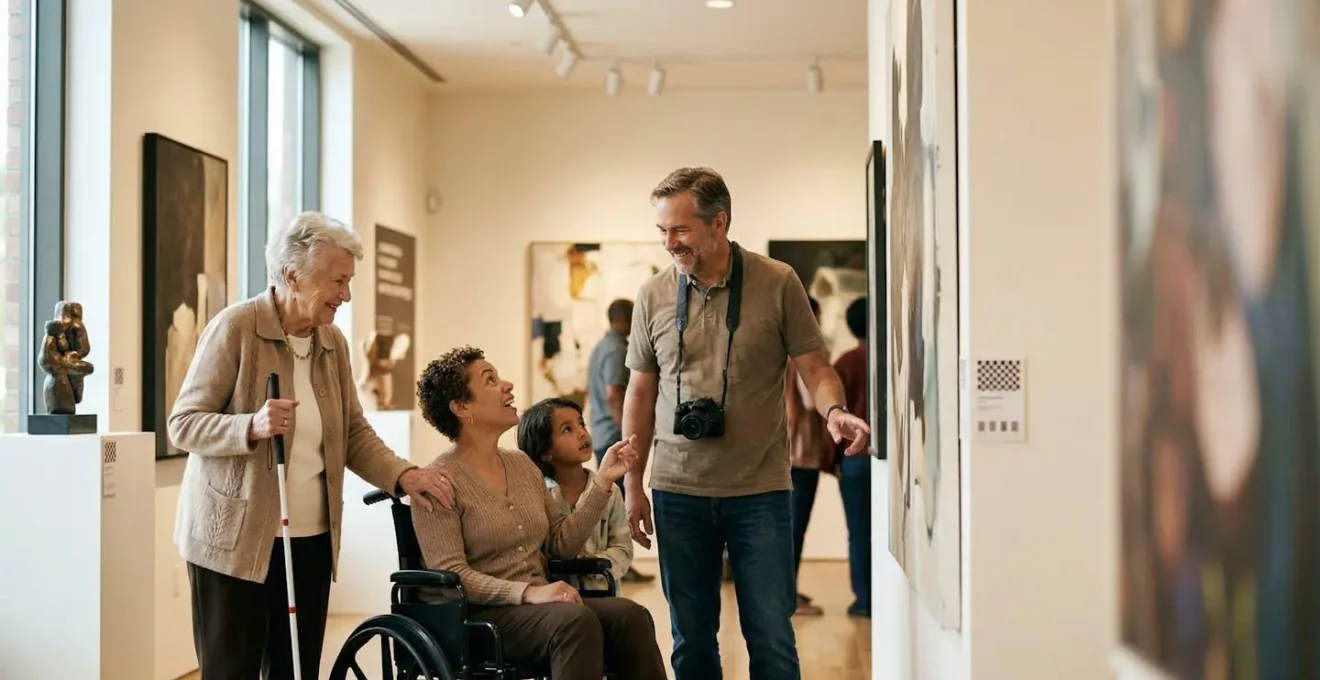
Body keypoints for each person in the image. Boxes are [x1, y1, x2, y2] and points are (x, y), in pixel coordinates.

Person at [167, 211, 456, 680]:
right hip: (235, 543)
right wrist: (251, 426)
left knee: (294, 670)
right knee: (231, 670)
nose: (345, 294)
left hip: (310, 539)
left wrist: (404, 475)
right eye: (337, 281)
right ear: (291, 275)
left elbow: (353, 433)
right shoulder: (236, 329)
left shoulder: (332, 343)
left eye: (349, 281)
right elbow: (183, 424)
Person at [622, 167, 872, 680]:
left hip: (760, 491)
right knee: (691, 642)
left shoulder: (777, 281)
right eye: (663, 231)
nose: (670, 243)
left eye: (681, 229)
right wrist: (632, 482)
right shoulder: (653, 294)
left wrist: (835, 411)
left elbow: (815, 366)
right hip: (677, 490)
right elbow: (640, 392)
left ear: (720, 223)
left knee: (773, 641)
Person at [411, 346, 668, 679]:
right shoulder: (438, 481)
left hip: (536, 607)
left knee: (630, 616)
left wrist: (602, 481)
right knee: (575, 622)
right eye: (490, 380)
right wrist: (528, 593)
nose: (507, 385)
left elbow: (560, 544)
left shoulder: (522, 465)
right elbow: (452, 574)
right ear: (461, 407)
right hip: (479, 616)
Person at [517, 397, 633, 592]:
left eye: (581, 424)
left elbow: (623, 549)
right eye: (567, 429)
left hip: (604, 592)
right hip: (557, 598)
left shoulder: (610, 491)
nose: (581, 433)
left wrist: (590, 565)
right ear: (545, 452)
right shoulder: (539, 495)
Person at [586, 297, 655, 583]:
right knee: (619, 506)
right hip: (613, 437)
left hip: (601, 434)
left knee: (612, 504)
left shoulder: (602, 346)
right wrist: (628, 436)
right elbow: (615, 393)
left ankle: (618, 565)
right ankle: (619, 567)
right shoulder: (616, 350)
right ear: (626, 320)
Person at [786, 297, 834, 617]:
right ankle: (788, 597)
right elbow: (810, 397)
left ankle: (786, 593)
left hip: (779, 452)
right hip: (801, 453)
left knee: (785, 528)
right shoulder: (804, 354)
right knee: (794, 528)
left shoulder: (778, 348)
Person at [831, 297, 873, 618]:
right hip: (886, 456)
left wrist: (835, 460)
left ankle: (864, 599)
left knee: (858, 531)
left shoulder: (845, 362)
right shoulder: (886, 357)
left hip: (854, 459)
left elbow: (835, 419)